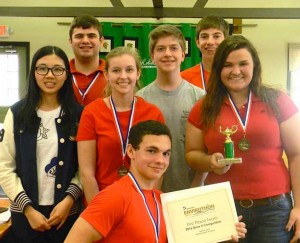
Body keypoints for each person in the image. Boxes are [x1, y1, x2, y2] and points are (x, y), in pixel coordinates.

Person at [185, 35, 300, 243]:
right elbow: (192, 154)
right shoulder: (203, 107)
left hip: (274, 211)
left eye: (243, 64)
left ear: (254, 65)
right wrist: (209, 162)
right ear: (218, 69)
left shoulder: (278, 100)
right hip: (223, 208)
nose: (236, 71)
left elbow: (296, 154)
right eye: (227, 65)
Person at [65, 120, 246, 243]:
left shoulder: (163, 201)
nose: (160, 160)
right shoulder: (113, 197)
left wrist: (222, 232)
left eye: (166, 153)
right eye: (152, 151)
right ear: (131, 151)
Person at [0, 46, 83, 243]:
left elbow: (85, 168)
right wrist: (28, 210)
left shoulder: (79, 115)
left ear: (66, 75)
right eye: (42, 68)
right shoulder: (17, 113)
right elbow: (4, 167)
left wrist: (69, 201)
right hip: (26, 216)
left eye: (57, 69)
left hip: (66, 215)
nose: (50, 75)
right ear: (34, 73)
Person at [77, 46, 165, 205]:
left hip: (140, 200)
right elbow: (86, 173)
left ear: (137, 73)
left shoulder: (153, 113)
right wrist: (99, 213)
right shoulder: (92, 113)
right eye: (116, 70)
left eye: (129, 70)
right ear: (106, 74)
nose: (123, 76)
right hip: (103, 200)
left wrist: (146, 206)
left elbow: (158, 168)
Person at [136, 24, 206, 192]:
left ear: (182, 55)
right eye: (161, 49)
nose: (167, 54)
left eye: (173, 48)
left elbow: (205, 148)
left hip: (190, 189)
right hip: (150, 191)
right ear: (152, 56)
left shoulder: (200, 97)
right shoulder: (140, 99)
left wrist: (197, 185)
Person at [181, 15, 229, 91]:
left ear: (226, 41)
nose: (210, 42)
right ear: (197, 42)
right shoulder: (183, 79)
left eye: (216, 36)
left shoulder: (234, 75)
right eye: (204, 36)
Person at [69, 14, 107, 105]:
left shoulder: (113, 75)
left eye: (91, 36)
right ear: (70, 41)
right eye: (79, 36)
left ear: (101, 41)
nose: (85, 41)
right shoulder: (60, 74)